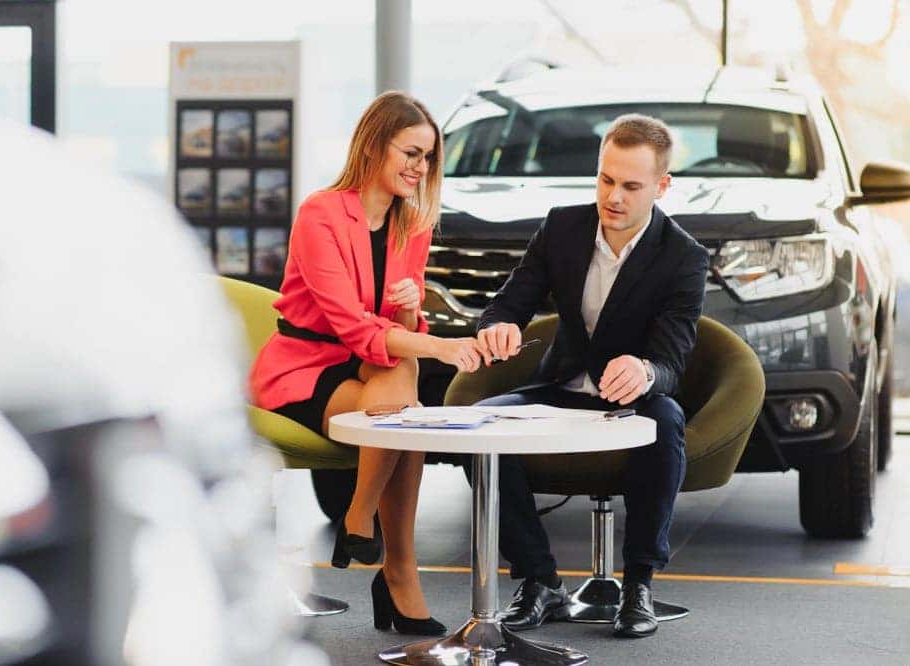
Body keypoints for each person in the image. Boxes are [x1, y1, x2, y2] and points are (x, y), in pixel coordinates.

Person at [250, 91, 484, 636]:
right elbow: (350, 326)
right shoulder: (322, 213)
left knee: (401, 391)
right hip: (306, 365)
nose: (418, 168)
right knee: (406, 400)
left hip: (373, 368)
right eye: (409, 153)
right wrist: (441, 346)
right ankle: (394, 565)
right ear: (374, 146)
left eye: (427, 157)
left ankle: (364, 524)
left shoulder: (414, 224)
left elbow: (399, 331)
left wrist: (409, 311)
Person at [470, 114, 709, 638]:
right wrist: (500, 325)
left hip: (634, 397)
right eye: (605, 180)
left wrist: (645, 370)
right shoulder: (562, 227)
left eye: (631, 185)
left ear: (661, 187)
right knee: (480, 426)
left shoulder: (684, 258)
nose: (614, 197)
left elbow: (672, 360)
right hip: (561, 387)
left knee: (665, 422)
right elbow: (508, 302)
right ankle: (538, 579)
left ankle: (639, 583)